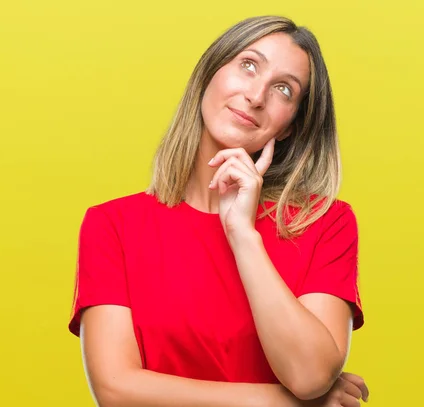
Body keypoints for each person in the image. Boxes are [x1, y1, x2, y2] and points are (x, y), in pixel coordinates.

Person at [68, 15, 369, 407]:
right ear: (210, 73)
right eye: (248, 65)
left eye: (283, 89)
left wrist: (243, 234)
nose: (257, 96)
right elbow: (116, 389)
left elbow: (310, 374)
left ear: (290, 125)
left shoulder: (326, 223)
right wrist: (288, 404)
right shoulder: (113, 225)